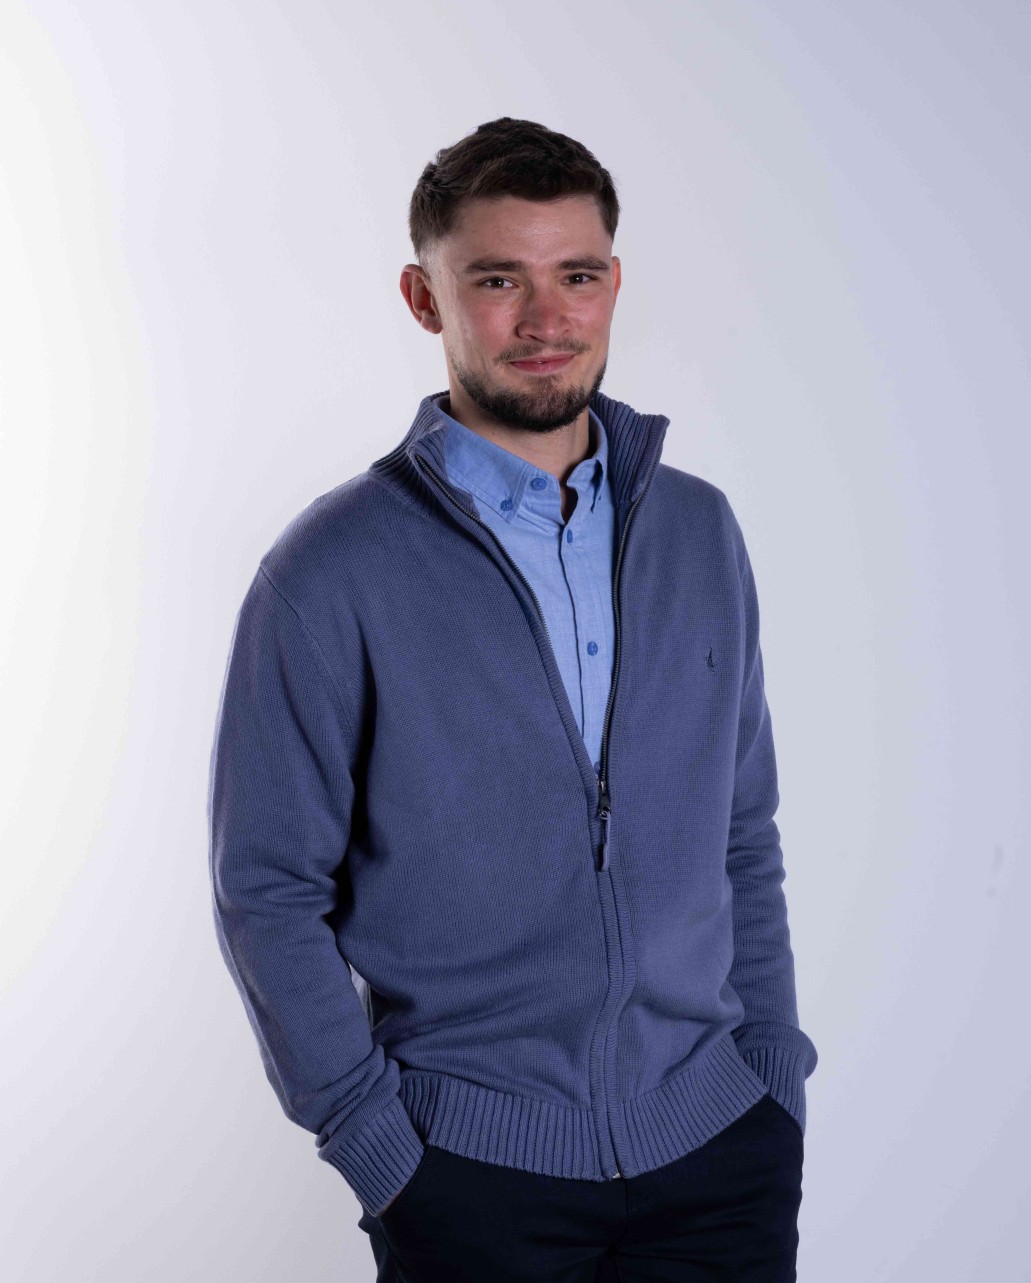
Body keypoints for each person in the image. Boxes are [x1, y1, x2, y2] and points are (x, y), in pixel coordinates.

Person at [208, 116, 818, 1282]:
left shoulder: (697, 532)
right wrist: (378, 1144)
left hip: (719, 1155)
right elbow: (266, 885)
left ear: (612, 284)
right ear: (423, 297)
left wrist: (771, 1075)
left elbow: (742, 833)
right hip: (470, 1180)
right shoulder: (331, 571)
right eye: (497, 280)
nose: (545, 320)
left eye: (574, 276)